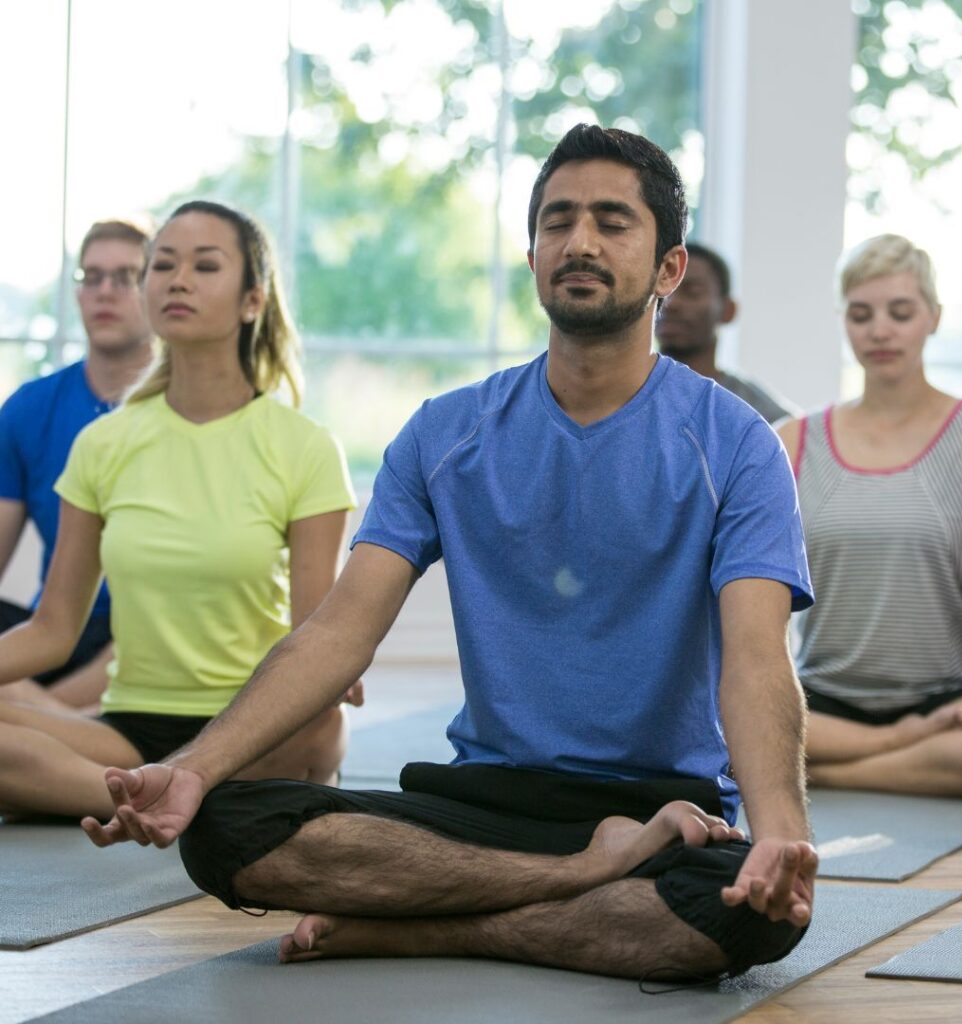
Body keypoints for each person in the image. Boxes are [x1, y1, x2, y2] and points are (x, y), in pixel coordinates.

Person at [86, 127, 818, 983]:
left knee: (740, 915)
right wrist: (192, 768)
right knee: (224, 829)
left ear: (669, 268)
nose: (578, 241)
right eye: (557, 221)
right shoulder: (446, 432)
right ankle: (580, 878)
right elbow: (337, 634)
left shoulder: (737, 444)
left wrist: (779, 838)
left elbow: (759, 660)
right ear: (535, 252)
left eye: (612, 221)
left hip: (662, 808)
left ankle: (430, 924)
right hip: (482, 801)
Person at [0, 200, 360, 820]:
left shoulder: (305, 447)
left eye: (205, 265)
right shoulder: (104, 443)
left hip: (254, 728)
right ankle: (177, 798)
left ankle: (154, 792)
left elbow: (313, 637)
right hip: (128, 729)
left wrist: (337, 673)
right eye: (163, 265)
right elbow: (54, 630)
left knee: (321, 727)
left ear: (253, 300)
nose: (178, 279)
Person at [776, 233, 962, 796]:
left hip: (959, 691)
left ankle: (825, 772)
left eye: (900, 312)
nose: (880, 331)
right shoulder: (790, 443)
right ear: (844, 322)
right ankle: (909, 750)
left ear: (933, 317)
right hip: (828, 695)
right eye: (861, 315)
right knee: (732, 723)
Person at [0, 220, 155, 711]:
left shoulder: (186, 410)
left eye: (126, 277)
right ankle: (50, 724)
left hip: (155, 632)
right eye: (91, 277)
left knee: (171, 631)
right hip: (58, 626)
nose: (104, 292)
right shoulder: (30, 407)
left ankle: (38, 721)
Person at [655, 241, 798, 423]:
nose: (671, 303)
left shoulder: (763, 418)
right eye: (662, 290)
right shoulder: (621, 395)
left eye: (692, 292)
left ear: (727, 310)